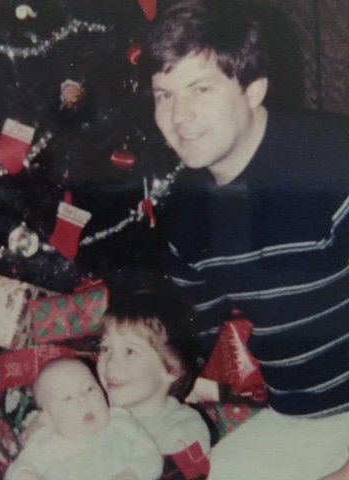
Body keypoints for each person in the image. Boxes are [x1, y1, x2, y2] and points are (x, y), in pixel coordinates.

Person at [142, 0, 349, 478]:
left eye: (200, 89)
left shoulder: (333, 164)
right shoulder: (192, 210)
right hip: (298, 418)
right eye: (164, 95)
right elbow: (186, 334)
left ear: (253, 90)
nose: (179, 116)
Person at [96, 293, 211, 461]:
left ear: (171, 369)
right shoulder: (96, 415)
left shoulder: (184, 430)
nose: (111, 363)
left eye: (130, 351)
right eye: (106, 348)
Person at [5, 357, 162, 480]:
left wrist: (131, 474)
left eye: (89, 388)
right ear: (49, 419)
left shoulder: (120, 422)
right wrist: (26, 475)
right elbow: (18, 469)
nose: (83, 399)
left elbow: (150, 454)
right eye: (68, 398)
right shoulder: (45, 442)